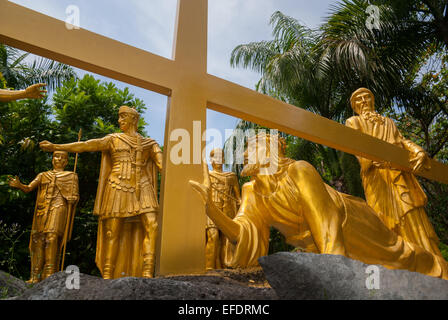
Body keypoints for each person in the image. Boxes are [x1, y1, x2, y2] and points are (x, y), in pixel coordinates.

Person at [189, 133, 448, 279]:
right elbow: (242, 233)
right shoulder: (251, 191)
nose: (245, 155)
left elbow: (327, 228)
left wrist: (334, 279)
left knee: (400, 255)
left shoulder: (299, 171)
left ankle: (440, 269)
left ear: (271, 149)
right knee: (383, 273)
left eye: (251, 146)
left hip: (353, 222)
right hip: (323, 245)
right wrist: (211, 209)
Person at [39, 106, 163, 279]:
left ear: (134, 120)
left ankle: (147, 273)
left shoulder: (150, 143)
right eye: (119, 118)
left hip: (143, 185)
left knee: (153, 225)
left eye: (123, 117)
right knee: (112, 232)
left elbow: (164, 167)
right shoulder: (113, 139)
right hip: (117, 184)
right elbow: (86, 145)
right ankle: (107, 274)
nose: (119, 121)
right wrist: (56, 146)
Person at [345, 88, 442, 256]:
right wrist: (371, 159)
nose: (364, 101)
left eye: (367, 97)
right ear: (354, 106)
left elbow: (402, 140)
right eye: (358, 99)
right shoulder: (353, 122)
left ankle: (430, 258)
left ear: (372, 100)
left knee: (412, 214)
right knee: (385, 221)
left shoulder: (388, 122)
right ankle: (403, 262)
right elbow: (358, 148)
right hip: (377, 178)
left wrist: (418, 150)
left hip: (399, 175)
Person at [8, 151, 79, 283]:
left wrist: (72, 198)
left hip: (58, 207)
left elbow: (74, 196)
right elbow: (29, 188)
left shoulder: (71, 176)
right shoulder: (43, 175)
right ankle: (35, 275)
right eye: (56, 156)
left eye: (62, 157)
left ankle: (50, 273)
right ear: (52, 159)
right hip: (43, 208)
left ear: (66, 161)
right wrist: (19, 185)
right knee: (39, 240)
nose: (59, 159)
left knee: (52, 238)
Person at [206, 148, 241, 270]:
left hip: (227, 209)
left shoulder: (231, 176)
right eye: (215, 157)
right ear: (211, 160)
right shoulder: (207, 175)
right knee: (213, 235)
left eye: (221, 157)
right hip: (211, 209)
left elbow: (238, 198)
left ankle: (226, 268)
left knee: (226, 240)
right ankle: (209, 268)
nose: (218, 159)